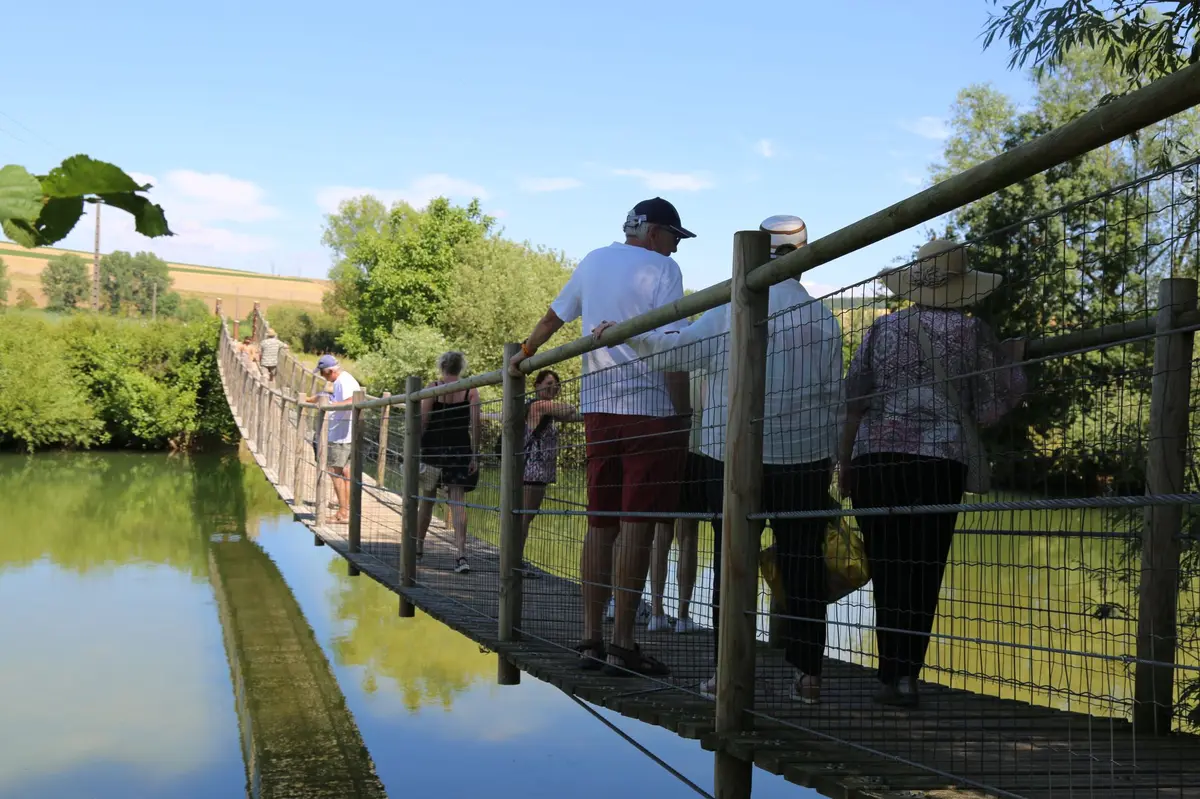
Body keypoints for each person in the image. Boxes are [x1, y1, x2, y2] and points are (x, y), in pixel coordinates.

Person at [603, 214, 843, 703]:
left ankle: (725, 672)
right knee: (802, 563)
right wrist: (834, 459)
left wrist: (623, 334)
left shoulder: (733, 308)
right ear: (803, 253)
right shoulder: (824, 320)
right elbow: (832, 399)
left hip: (729, 457)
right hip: (804, 457)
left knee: (732, 562)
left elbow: (673, 352)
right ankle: (808, 675)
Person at [509, 197, 694, 677]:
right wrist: (683, 414)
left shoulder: (593, 260)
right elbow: (672, 349)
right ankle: (623, 644)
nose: (676, 249)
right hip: (649, 411)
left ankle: (591, 638)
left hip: (597, 410)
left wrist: (524, 353)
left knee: (601, 523)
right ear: (654, 233)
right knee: (638, 525)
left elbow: (553, 318)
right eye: (675, 237)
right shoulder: (660, 270)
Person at [841, 238, 1027, 708]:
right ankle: (907, 679)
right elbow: (987, 409)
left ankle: (887, 672)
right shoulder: (972, 334)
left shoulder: (880, 330)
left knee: (886, 567)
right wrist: (1015, 363)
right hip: (938, 462)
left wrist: (843, 461)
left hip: (874, 460)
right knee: (924, 568)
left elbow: (854, 396)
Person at [646, 368, 705, 634]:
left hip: (665, 451)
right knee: (688, 536)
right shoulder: (709, 368)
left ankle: (656, 612)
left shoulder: (667, 368)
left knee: (661, 533)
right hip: (696, 453)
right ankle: (683, 615)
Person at [417, 351, 482, 574]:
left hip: (433, 450)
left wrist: (418, 447)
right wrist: (475, 453)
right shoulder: (470, 389)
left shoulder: (433, 387)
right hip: (460, 449)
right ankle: (461, 554)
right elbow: (475, 424)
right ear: (460, 367)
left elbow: (424, 420)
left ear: (442, 366)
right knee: (457, 502)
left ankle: (418, 548)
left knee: (426, 499)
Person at [518, 370, 582, 577]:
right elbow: (570, 410)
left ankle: (514, 559)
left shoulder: (546, 410)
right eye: (548, 383)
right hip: (532, 471)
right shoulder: (539, 405)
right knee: (525, 517)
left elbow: (574, 416)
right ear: (536, 385)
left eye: (556, 384)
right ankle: (515, 561)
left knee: (524, 516)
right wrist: (570, 410)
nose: (553, 387)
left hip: (536, 471)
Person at [304, 354, 361, 524]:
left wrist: (329, 407)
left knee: (334, 472)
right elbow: (340, 398)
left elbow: (353, 400)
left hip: (340, 435)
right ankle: (346, 508)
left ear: (329, 371)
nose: (323, 377)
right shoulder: (342, 381)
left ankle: (343, 514)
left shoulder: (344, 381)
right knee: (344, 472)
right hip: (345, 433)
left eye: (322, 373)